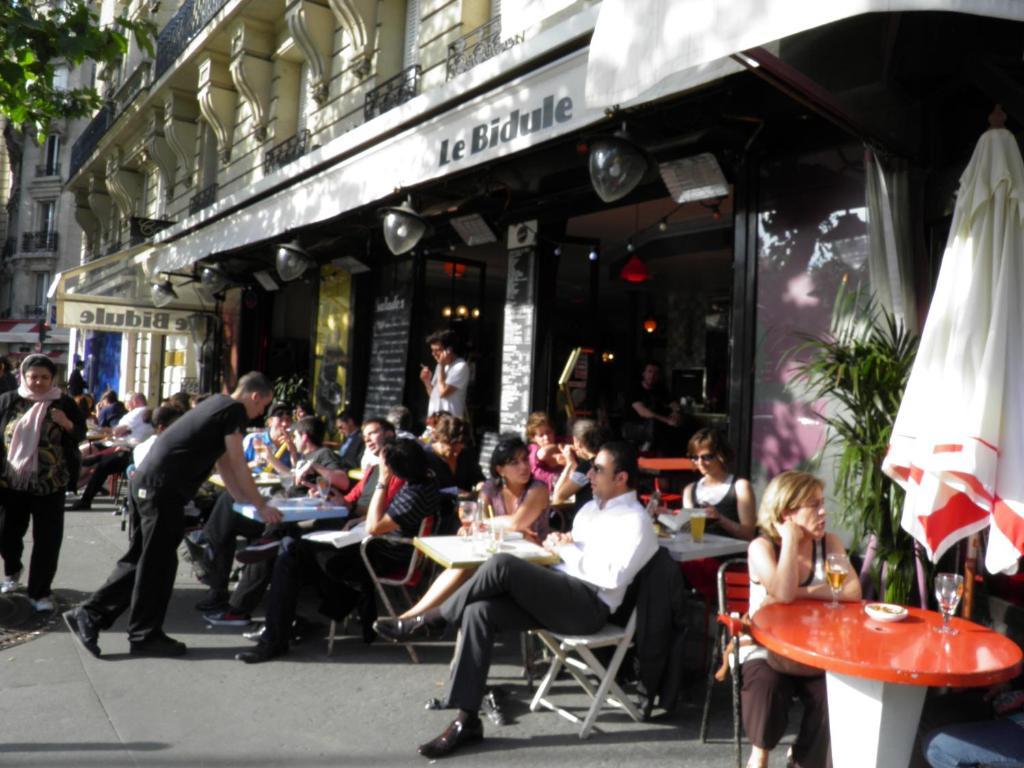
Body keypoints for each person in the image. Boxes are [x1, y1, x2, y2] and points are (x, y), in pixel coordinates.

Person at [374, 441, 658, 758]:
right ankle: (466, 720)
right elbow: (572, 556)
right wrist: (561, 545)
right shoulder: (590, 510)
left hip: (589, 608)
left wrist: (566, 549)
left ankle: (430, 619)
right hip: (561, 590)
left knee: (500, 565)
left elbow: (611, 577)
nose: (588, 473)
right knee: (480, 611)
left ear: (621, 478)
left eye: (597, 469)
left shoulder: (636, 522)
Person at [63, 372, 280, 658]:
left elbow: (225, 462)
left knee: (143, 558)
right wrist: (261, 506)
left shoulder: (217, 404)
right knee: (158, 563)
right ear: (255, 396)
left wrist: (243, 501)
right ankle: (137, 632)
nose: (261, 412)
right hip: (163, 489)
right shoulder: (234, 410)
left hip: (150, 483)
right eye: (263, 405)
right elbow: (238, 462)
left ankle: (94, 616)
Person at [237, 437, 440, 663]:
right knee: (292, 553)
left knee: (291, 553)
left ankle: (275, 634)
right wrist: (361, 518)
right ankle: (279, 627)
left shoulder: (414, 493)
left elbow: (375, 526)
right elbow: (380, 519)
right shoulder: (424, 483)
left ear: (395, 469)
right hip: (376, 549)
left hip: (378, 557)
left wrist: (382, 481)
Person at [741, 470, 861, 768]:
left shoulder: (829, 543)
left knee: (833, 697)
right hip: (767, 648)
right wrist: (790, 541)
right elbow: (783, 592)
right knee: (767, 686)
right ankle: (760, 754)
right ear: (787, 512)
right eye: (814, 505)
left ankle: (804, 760)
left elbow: (852, 590)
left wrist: (799, 591)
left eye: (823, 503)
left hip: (816, 650)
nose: (823, 512)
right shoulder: (762, 546)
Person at [198, 416, 344, 627]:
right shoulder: (303, 456)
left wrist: (313, 468)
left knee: (268, 543)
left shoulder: (323, 454)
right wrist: (290, 459)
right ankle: (213, 546)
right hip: (286, 509)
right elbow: (292, 480)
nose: (290, 440)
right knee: (228, 500)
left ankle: (235, 603)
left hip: (298, 517)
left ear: (304, 436)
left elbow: (341, 479)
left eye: (293, 436)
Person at [398, 433, 549, 619]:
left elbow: (515, 522)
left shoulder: (538, 489)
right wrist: (479, 528)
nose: (524, 466)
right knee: (463, 567)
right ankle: (415, 617)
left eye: (525, 459)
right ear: (500, 469)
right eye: (514, 462)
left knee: (470, 572)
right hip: (496, 560)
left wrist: (489, 524)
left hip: (533, 565)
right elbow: (480, 529)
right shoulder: (490, 488)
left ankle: (421, 619)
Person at [0, 354, 87, 611]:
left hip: (51, 484)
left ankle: (40, 593)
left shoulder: (63, 403)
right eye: (33, 377)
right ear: (24, 376)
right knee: (5, 535)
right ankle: (12, 570)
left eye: (44, 377)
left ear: (53, 379)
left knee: (47, 541)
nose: (38, 382)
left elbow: (80, 433)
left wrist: (67, 423)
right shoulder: (8, 401)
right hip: (11, 483)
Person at [70, 393, 154, 511]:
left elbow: (117, 431)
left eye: (126, 402)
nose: (125, 405)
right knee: (95, 459)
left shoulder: (138, 412)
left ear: (134, 401)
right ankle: (77, 488)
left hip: (127, 450)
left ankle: (79, 493)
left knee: (99, 463)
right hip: (129, 449)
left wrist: (100, 429)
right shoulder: (147, 413)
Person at [682, 428, 757, 541]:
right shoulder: (690, 489)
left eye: (707, 457)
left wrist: (720, 519)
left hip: (728, 555)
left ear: (721, 456)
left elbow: (748, 534)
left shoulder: (740, 487)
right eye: (695, 458)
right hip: (698, 554)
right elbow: (688, 531)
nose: (700, 463)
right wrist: (668, 518)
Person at [551, 418, 611, 513]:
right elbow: (577, 481)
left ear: (577, 442)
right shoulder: (610, 461)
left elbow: (558, 496)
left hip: (590, 518)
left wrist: (569, 464)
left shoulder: (587, 467)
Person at [626, 361, 680, 453]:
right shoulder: (634, 389)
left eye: (656, 373)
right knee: (653, 422)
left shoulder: (660, 389)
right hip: (634, 426)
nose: (652, 375)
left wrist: (676, 413)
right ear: (643, 373)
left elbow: (673, 403)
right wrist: (667, 420)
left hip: (656, 427)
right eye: (650, 372)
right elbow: (643, 412)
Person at [419, 330, 469, 419]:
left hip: (449, 424)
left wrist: (441, 367)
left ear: (449, 350)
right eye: (432, 350)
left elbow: (443, 393)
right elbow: (434, 395)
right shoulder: (439, 366)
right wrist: (426, 381)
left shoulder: (460, 366)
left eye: (437, 350)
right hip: (434, 420)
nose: (433, 354)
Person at [243, 401, 296, 470]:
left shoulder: (295, 442)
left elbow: (297, 474)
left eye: (288, 420)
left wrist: (293, 452)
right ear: (270, 422)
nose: (284, 424)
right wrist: (255, 463)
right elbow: (235, 468)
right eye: (280, 420)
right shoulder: (253, 439)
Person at [525, 411, 566, 490]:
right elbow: (544, 453)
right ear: (533, 438)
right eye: (541, 435)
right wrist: (562, 448)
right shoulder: (532, 449)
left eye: (549, 432)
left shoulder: (561, 440)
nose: (546, 438)